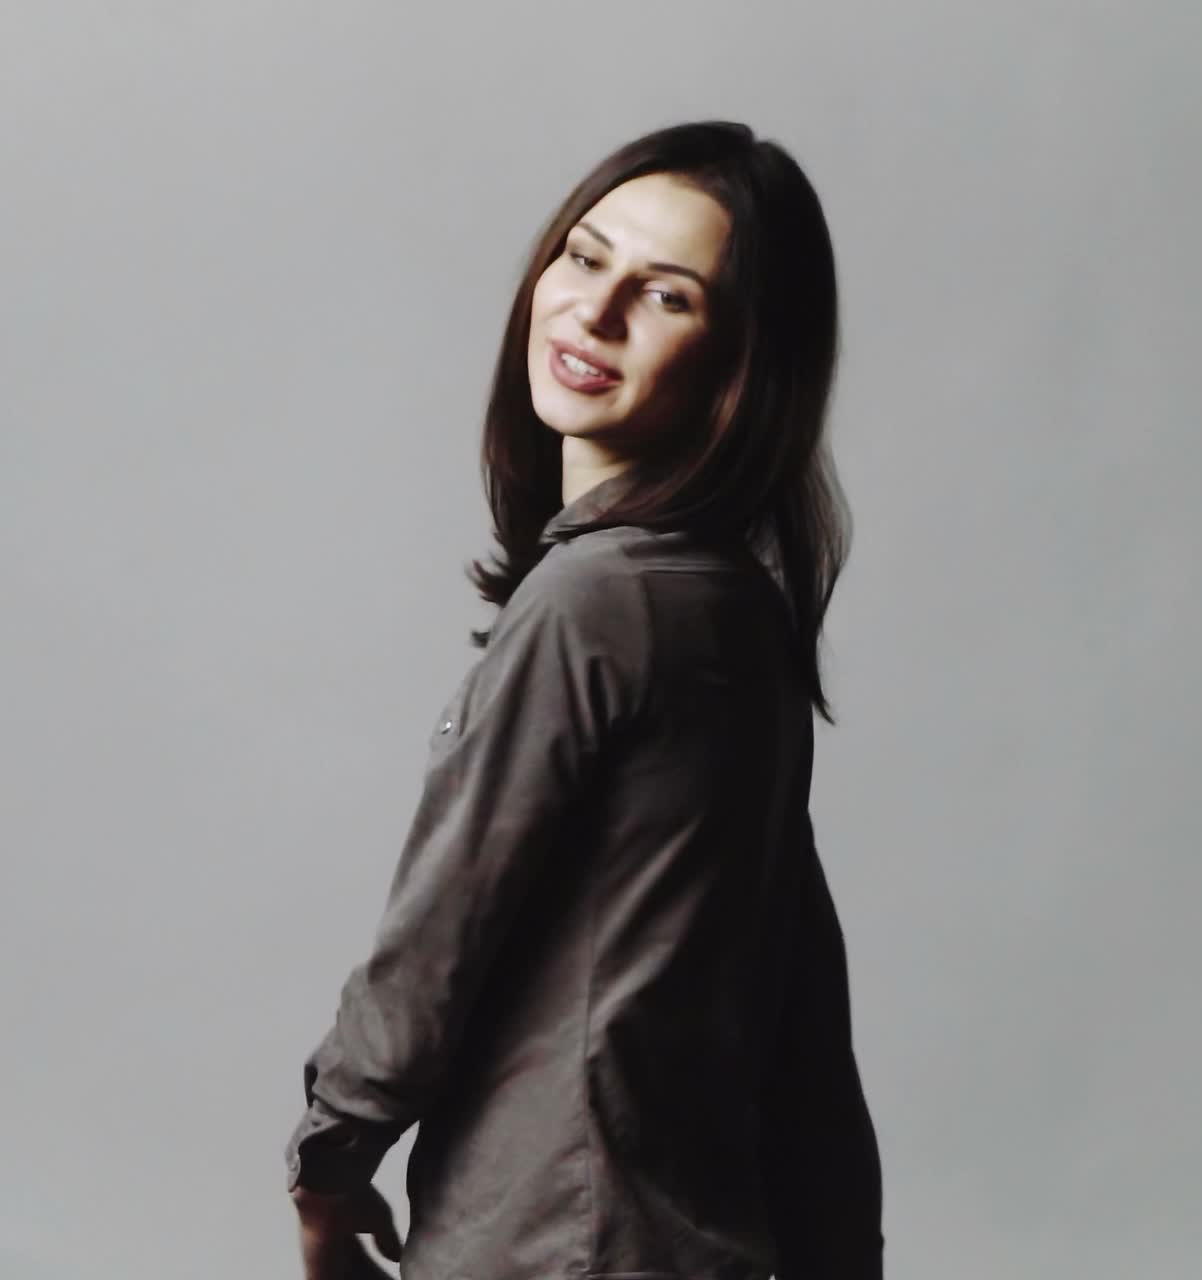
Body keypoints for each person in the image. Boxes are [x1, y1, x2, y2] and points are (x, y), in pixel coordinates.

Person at [283, 119, 884, 1280]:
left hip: (551, 1240)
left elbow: (434, 946)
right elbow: (804, 1001)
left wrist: (329, 1163)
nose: (593, 314)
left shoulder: (593, 604)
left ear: (741, 362)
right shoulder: (733, 612)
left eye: (664, 296)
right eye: (582, 256)